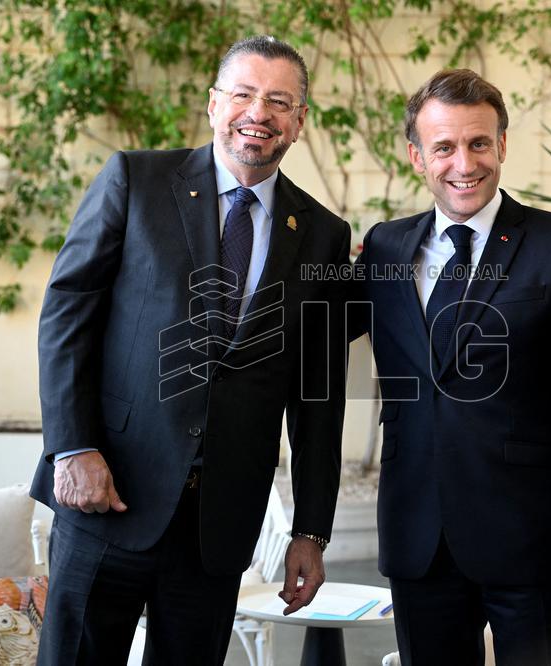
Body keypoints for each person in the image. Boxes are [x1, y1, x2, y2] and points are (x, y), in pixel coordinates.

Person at [31, 35, 351, 665]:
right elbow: (67, 313)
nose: (259, 112)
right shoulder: (135, 179)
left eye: (279, 101)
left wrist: (310, 530)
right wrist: (72, 446)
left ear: (299, 122)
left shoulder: (322, 235)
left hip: (218, 527)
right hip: (108, 496)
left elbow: (319, 395)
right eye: (244, 94)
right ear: (213, 105)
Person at [351, 69, 551, 665]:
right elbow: (306, 329)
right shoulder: (384, 248)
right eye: (444, 147)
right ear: (417, 157)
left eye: (479, 143)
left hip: (537, 542)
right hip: (419, 539)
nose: (464, 163)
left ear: (502, 145)